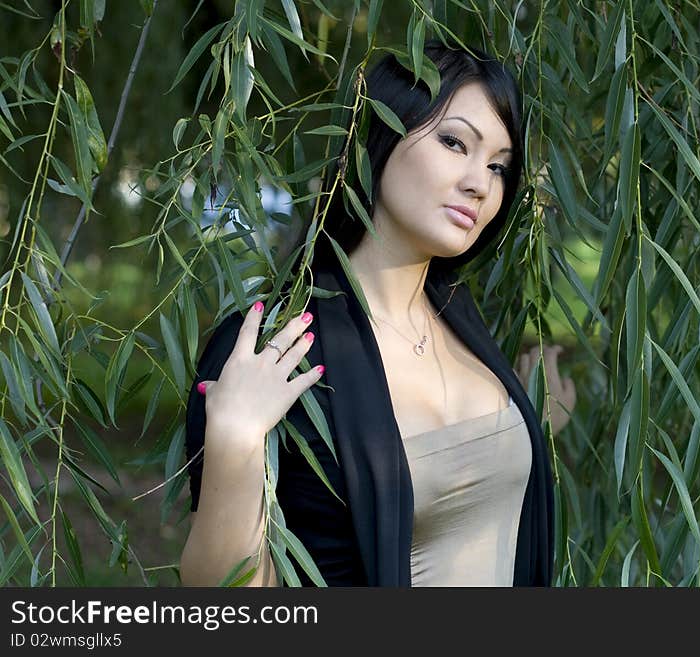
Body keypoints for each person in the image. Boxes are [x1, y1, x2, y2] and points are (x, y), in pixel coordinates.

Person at [179, 41, 576, 587]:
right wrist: (233, 442)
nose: (480, 183)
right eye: (454, 142)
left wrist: (532, 421)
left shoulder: (459, 319)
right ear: (380, 135)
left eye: (499, 167)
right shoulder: (277, 347)